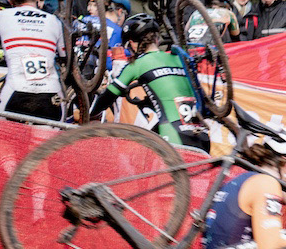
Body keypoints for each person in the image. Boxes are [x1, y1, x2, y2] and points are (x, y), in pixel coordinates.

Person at [85, 15, 211, 151]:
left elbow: (108, 96)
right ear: (156, 39)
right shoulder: (178, 58)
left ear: (132, 43)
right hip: (201, 134)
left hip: (173, 134)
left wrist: (91, 116)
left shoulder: (137, 64)